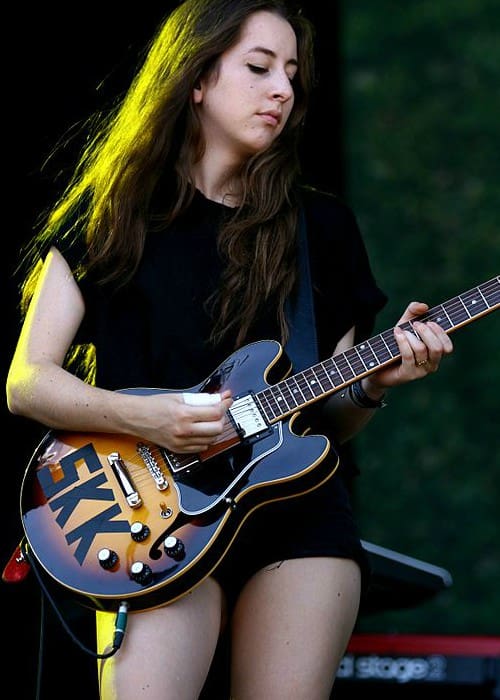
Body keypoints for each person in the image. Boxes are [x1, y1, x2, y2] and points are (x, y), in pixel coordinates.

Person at [6, 0, 454, 698]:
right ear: (196, 79)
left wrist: (372, 384)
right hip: (150, 517)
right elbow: (28, 382)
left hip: (299, 518)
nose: (284, 90)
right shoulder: (112, 214)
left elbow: (329, 416)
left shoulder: (321, 227)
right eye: (259, 67)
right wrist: (145, 420)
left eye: (293, 75)